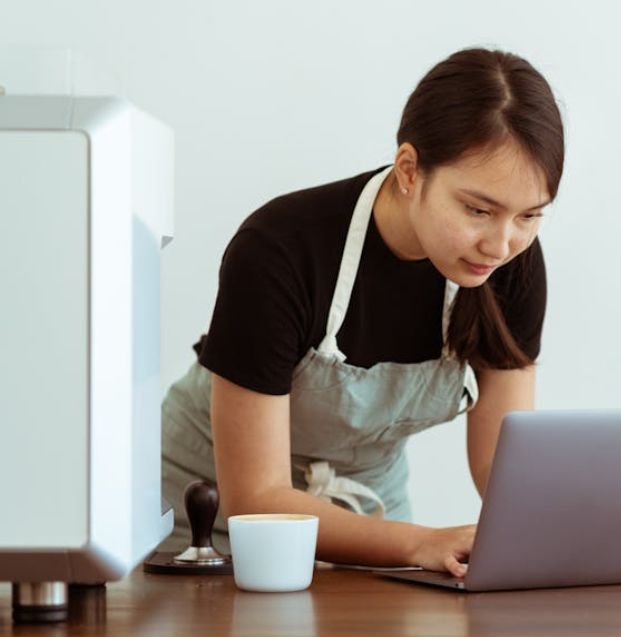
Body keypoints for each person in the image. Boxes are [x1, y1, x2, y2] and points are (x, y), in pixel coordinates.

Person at [158, 47, 563, 578]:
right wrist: (419, 543)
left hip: (372, 506)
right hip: (212, 509)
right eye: (478, 210)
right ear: (410, 170)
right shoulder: (280, 248)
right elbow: (255, 495)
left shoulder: (512, 264)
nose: (501, 243)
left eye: (529, 216)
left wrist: (562, 532)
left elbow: (499, 465)